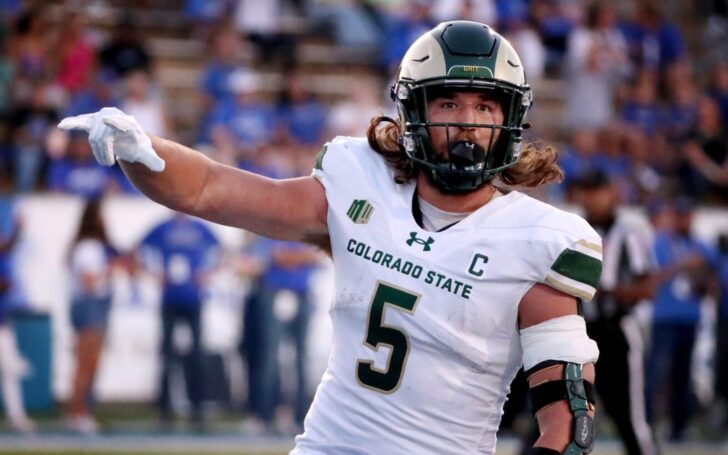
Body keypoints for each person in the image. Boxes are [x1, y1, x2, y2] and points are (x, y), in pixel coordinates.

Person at [60, 21, 603, 454]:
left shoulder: (538, 240)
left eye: (485, 106)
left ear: (510, 120)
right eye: (449, 103)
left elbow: (568, 423)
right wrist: (143, 150)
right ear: (414, 112)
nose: (467, 123)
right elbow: (207, 189)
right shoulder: (358, 186)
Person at [575, 171, 658, 455]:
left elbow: (647, 288)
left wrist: (604, 290)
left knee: (628, 416)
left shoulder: (628, 233)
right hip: (579, 332)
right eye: (587, 191)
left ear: (611, 193)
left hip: (617, 331)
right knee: (564, 407)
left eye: (597, 191)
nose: (592, 198)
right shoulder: (573, 229)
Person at [137, 212, 220, 429]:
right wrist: (154, 274)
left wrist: (208, 273)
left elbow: (222, 251)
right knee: (167, 356)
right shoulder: (163, 227)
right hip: (171, 299)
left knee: (197, 357)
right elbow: (138, 249)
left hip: (193, 299)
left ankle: (198, 409)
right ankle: (165, 411)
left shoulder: (200, 228)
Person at [66, 198, 120, 434]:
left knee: (91, 363)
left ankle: (83, 411)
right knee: (85, 363)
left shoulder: (90, 246)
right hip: (90, 305)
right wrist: (109, 270)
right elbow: (88, 282)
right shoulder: (88, 247)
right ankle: (77, 412)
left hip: (93, 305)